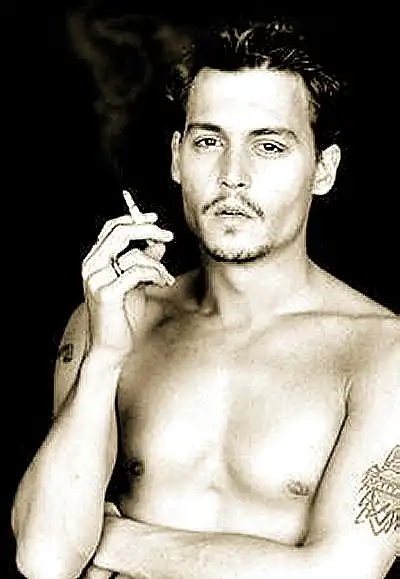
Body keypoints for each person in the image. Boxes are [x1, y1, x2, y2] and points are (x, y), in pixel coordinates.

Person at [11, 14, 399, 579]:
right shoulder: (116, 317)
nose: (232, 175)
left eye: (269, 146)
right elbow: (45, 561)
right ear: (177, 157)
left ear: (323, 170)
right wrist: (105, 356)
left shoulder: (383, 353)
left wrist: (112, 540)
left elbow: (342, 572)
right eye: (209, 141)